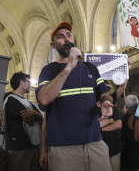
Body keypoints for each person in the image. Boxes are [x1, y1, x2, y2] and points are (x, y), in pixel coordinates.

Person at [36, 22, 113, 171]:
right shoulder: (49, 71)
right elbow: (44, 99)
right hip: (63, 148)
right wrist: (69, 67)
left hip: (95, 143)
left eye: (69, 35)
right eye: (60, 37)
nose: (66, 39)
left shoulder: (90, 68)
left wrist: (105, 102)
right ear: (53, 45)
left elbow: (104, 94)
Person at [3, 72, 43, 171]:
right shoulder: (11, 100)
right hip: (19, 149)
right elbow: (28, 118)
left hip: (31, 146)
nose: (30, 85)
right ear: (21, 82)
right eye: (28, 82)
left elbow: (40, 116)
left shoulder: (27, 102)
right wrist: (36, 115)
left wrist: (36, 114)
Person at [121, 94, 139, 171]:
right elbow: (137, 138)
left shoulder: (124, 117)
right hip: (136, 154)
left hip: (126, 152)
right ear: (137, 104)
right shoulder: (135, 118)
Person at [98, 95, 123, 171]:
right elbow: (95, 125)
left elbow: (119, 124)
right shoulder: (94, 110)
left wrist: (101, 129)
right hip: (99, 152)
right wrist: (110, 120)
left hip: (114, 149)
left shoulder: (113, 108)